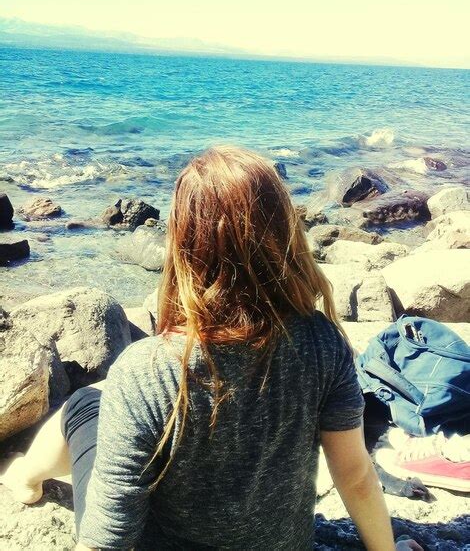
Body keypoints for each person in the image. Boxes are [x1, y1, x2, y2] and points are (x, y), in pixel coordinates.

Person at [1, 147, 423, 551]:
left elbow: (106, 539)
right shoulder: (322, 342)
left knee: (86, 403)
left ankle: (25, 476)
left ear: (183, 244)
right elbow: (355, 477)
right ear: (284, 234)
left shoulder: (148, 368)